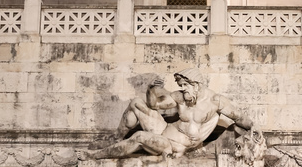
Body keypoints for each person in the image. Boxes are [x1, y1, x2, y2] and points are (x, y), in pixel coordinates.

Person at [81, 68, 253, 160]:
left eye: (184, 85)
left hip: (173, 145)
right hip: (163, 130)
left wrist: (254, 127)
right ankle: (116, 138)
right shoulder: (181, 96)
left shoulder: (216, 101)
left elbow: (239, 117)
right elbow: (154, 105)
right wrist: (151, 89)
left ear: (196, 84)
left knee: (140, 136)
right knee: (137, 103)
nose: (182, 88)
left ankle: (95, 156)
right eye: (181, 85)